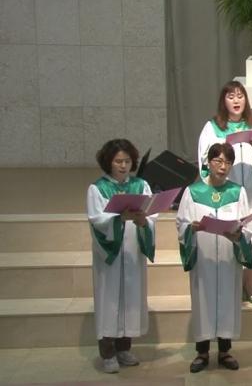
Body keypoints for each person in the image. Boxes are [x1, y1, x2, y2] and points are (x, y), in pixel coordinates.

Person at [176, 143, 252, 373]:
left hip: (228, 260)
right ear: (208, 162)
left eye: (228, 162)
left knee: (227, 301)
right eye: (218, 161)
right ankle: (202, 352)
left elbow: (247, 226)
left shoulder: (237, 192)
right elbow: (181, 223)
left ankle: (224, 351)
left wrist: (238, 235)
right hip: (204, 259)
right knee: (203, 302)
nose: (223, 167)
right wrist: (191, 228)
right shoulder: (193, 192)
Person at [197, 80, 252, 306]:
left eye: (240, 96)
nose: (236, 100)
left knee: (251, 237)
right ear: (224, 101)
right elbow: (204, 159)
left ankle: (250, 286)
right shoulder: (212, 127)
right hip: (225, 193)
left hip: (251, 192)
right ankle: (229, 285)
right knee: (227, 237)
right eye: (231, 96)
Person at [87, 139, 156, 374]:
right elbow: (96, 220)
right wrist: (119, 218)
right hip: (111, 256)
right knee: (110, 301)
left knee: (130, 300)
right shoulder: (97, 189)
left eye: (127, 161)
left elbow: (151, 215)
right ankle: (107, 353)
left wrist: (144, 221)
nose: (123, 165)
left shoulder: (141, 185)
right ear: (108, 162)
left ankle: (124, 348)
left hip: (133, 251)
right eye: (118, 161)